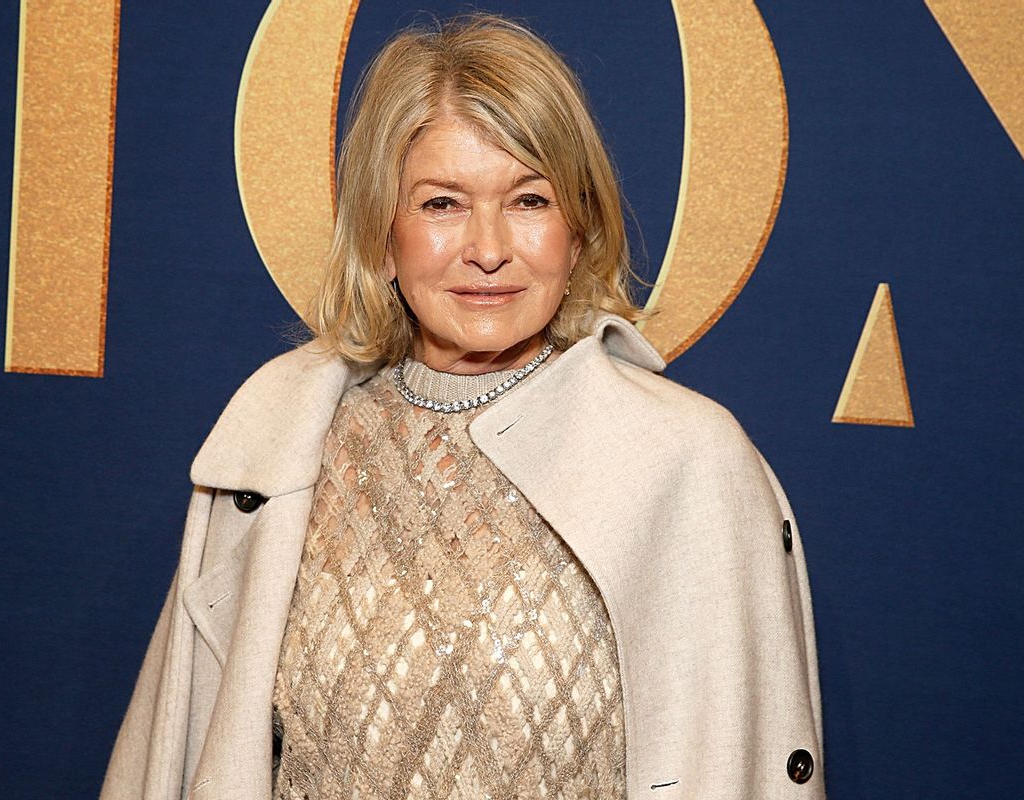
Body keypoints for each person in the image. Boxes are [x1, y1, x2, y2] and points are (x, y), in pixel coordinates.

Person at [100, 14, 823, 800]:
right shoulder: (275, 448)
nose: (487, 247)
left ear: (578, 233)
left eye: (529, 200)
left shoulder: (684, 462)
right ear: (383, 234)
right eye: (443, 203)